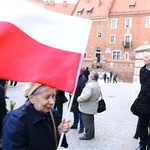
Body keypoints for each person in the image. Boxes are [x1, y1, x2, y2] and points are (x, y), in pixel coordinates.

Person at [2, 82, 70, 150]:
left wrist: (58, 133)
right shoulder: (16, 121)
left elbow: (54, 144)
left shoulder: (53, 114)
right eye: (47, 97)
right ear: (32, 99)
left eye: (53, 96)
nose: (52, 102)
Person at [77, 71, 101, 140]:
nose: (88, 76)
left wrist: (79, 99)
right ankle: (91, 134)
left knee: (87, 122)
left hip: (87, 107)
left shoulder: (89, 85)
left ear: (91, 77)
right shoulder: (97, 85)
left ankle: (87, 135)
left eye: (89, 75)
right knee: (91, 121)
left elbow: (87, 95)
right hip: (93, 106)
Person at [136, 51, 150, 150]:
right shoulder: (142, 70)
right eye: (144, 57)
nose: (144, 58)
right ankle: (142, 144)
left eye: (146, 57)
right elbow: (142, 84)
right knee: (142, 124)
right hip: (143, 102)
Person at [70, 69, 87, 134]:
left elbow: (83, 91)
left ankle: (82, 127)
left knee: (80, 114)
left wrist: (78, 98)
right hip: (73, 98)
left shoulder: (83, 79)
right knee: (75, 112)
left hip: (78, 99)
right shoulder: (75, 78)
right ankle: (75, 124)